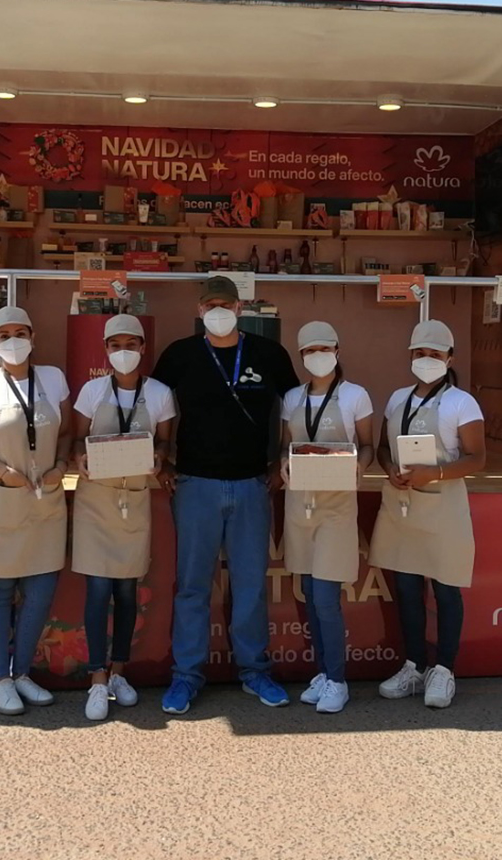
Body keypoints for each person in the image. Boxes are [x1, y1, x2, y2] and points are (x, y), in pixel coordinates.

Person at [150, 275, 300, 714]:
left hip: (253, 485)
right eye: (210, 303)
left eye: (226, 303)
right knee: (193, 588)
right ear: (199, 310)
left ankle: (256, 671)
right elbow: (154, 409)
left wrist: (281, 463)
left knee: (251, 587)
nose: (218, 310)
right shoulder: (179, 355)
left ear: (240, 308)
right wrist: (162, 461)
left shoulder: (268, 353)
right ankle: (186, 677)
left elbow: (296, 411)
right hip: (195, 485)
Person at [0, 306, 73, 716]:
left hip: (45, 498)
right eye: (4, 335)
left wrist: (60, 466)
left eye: (20, 332)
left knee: (41, 591)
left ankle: (22, 672)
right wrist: (1, 473)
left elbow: (68, 431)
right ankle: (0, 679)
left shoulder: (54, 379)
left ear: (33, 335)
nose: (13, 341)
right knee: (0, 591)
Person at [370, 319, 486, 709]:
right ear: (410, 356)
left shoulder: (461, 402)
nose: (426, 360)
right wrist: (390, 470)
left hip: (442, 505)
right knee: (406, 589)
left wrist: (433, 472)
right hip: (403, 505)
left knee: (445, 588)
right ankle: (414, 666)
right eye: (420, 353)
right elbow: (382, 448)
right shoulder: (397, 398)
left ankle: (444, 670)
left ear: (449, 358)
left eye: (435, 355)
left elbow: (477, 457)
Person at [70, 314, 176, 721]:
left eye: (132, 344)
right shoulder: (92, 391)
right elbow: (77, 436)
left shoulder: (161, 393)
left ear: (144, 348)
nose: (124, 352)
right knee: (99, 590)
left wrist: (160, 458)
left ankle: (118, 672)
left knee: (128, 592)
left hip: (135, 499)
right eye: (116, 346)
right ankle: (97, 679)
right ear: (106, 350)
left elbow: (167, 441)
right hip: (97, 499)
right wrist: (79, 456)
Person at [279, 321, 374, 715]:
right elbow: (287, 446)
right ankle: (322, 672)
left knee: (326, 598)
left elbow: (368, 445)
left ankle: (337, 679)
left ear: (336, 350)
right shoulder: (291, 397)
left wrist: (359, 469)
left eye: (324, 348)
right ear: (301, 357)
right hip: (301, 505)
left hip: (337, 505)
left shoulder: (356, 396)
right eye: (309, 350)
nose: (317, 356)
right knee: (308, 593)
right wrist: (284, 466)